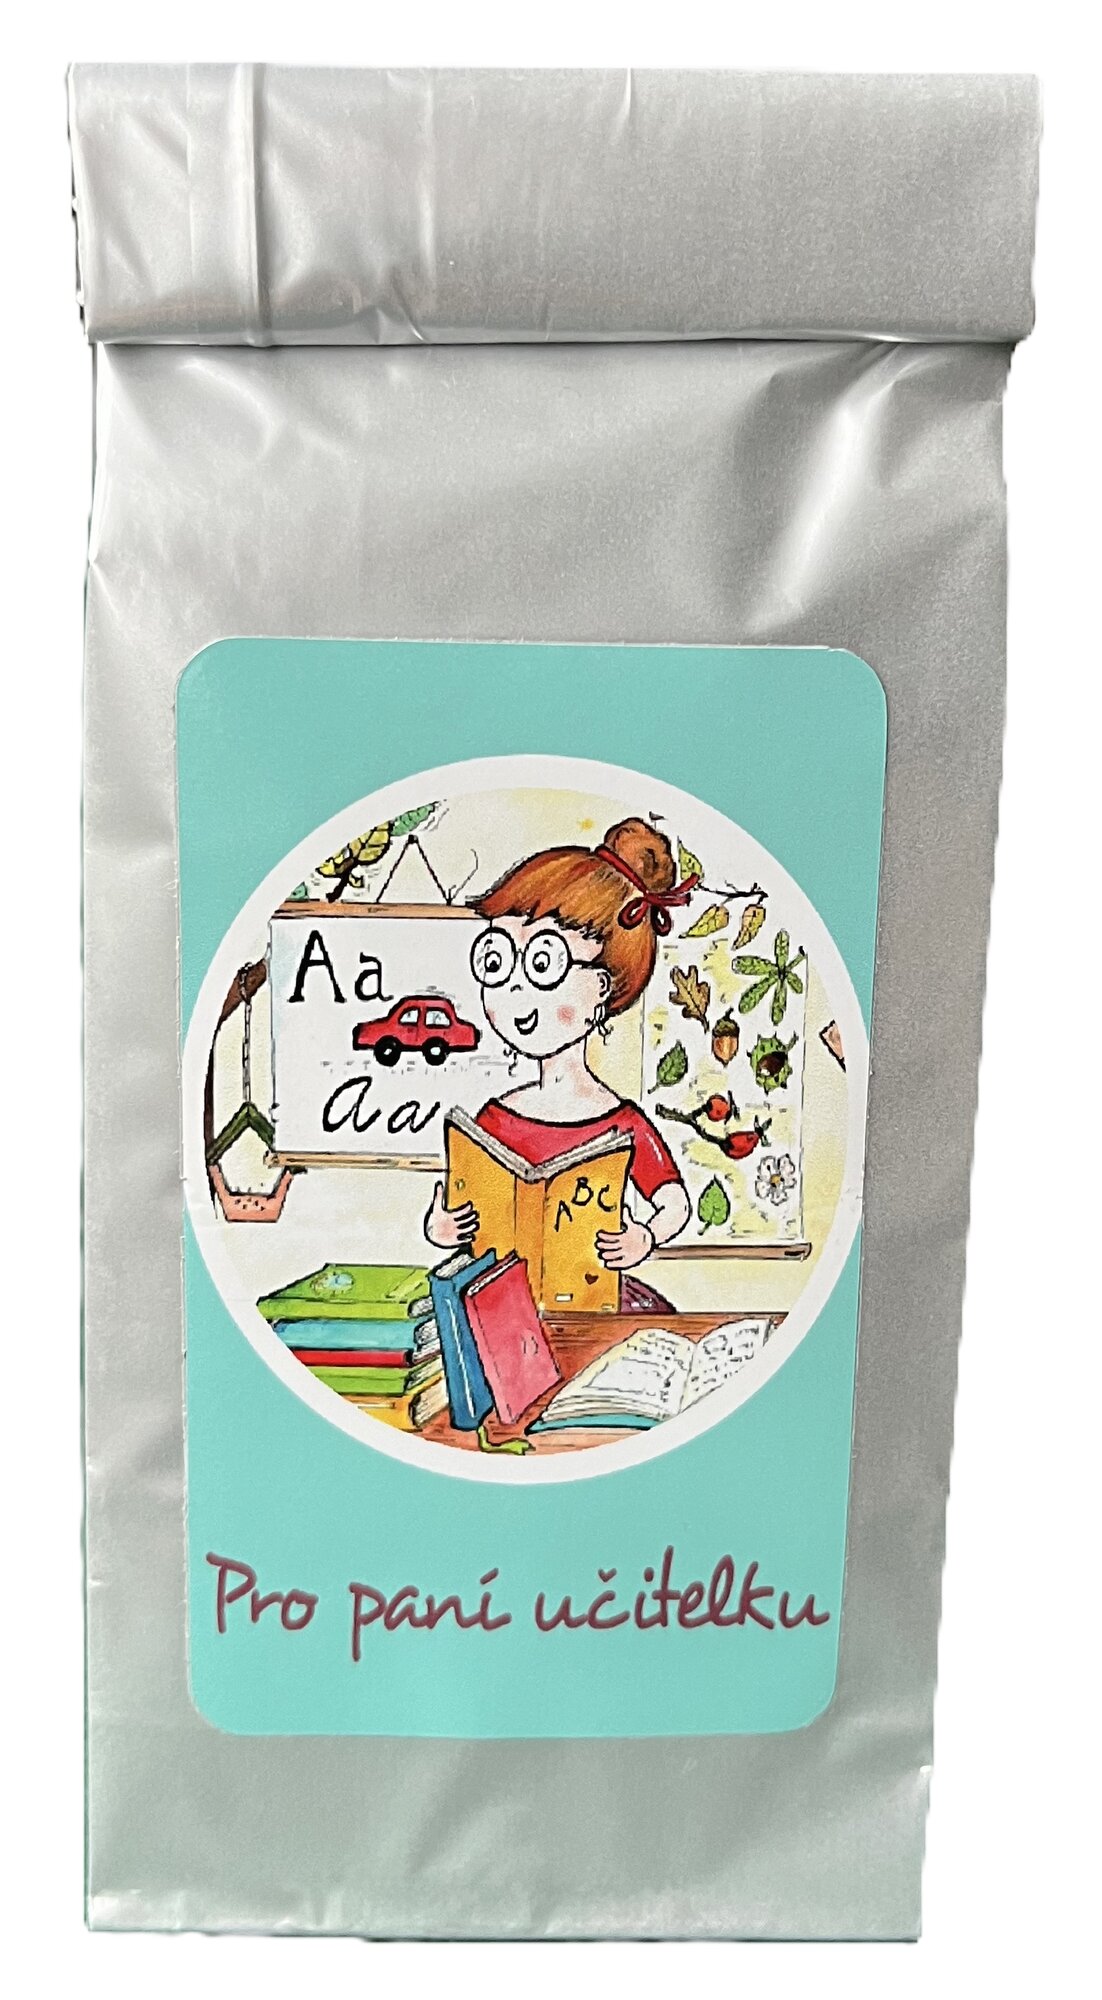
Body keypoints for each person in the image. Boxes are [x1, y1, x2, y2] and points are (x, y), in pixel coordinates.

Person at [425, 817, 692, 1308]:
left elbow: (673, 1201)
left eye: (543, 964)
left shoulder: (620, 1122)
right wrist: (442, 1226)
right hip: (501, 1306)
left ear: (602, 988)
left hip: (593, 1302)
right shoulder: (494, 1119)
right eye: (496, 961)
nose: (515, 990)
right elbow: (464, 1207)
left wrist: (645, 1237)